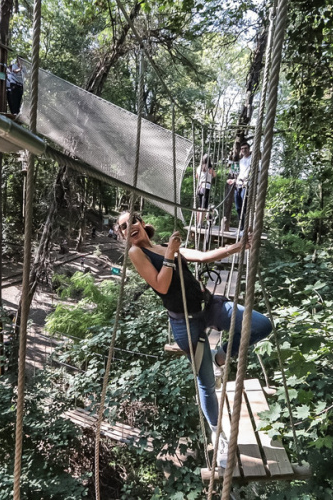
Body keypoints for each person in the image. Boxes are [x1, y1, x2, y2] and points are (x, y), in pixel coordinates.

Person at [116, 211, 272, 466]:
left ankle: (220, 355)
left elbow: (201, 256)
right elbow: (161, 286)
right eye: (122, 227)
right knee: (207, 384)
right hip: (185, 323)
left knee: (262, 325)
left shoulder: (163, 246)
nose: (128, 227)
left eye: (132, 221)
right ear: (122, 236)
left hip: (208, 305)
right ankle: (218, 437)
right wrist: (170, 254)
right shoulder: (137, 254)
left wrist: (237, 247)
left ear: (142, 223)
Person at [227, 142, 252, 231]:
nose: (244, 150)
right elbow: (236, 174)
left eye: (245, 148)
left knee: (244, 207)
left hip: (246, 185)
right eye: (242, 149)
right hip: (238, 185)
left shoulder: (252, 159)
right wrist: (233, 180)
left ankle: (245, 228)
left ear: (249, 149)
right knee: (238, 207)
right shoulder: (240, 161)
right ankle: (241, 227)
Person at [196, 154, 216, 227]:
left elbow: (197, 177)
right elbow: (214, 175)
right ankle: (200, 224)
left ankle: (198, 222)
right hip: (206, 187)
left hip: (199, 188)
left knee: (200, 206)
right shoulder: (210, 168)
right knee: (204, 207)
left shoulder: (198, 168)